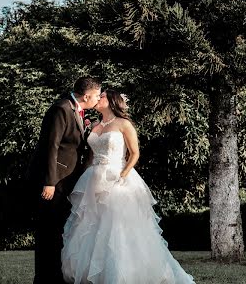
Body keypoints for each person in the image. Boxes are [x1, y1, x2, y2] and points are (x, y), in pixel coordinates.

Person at [61, 89, 195, 284]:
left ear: (113, 101)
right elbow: (90, 157)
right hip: (94, 180)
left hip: (118, 179)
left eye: (103, 95)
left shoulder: (124, 124)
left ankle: (123, 274)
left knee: (117, 228)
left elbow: (134, 154)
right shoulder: (95, 126)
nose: (99, 98)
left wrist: (122, 175)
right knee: (91, 226)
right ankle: (93, 274)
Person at [27, 75, 101, 284]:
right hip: (53, 181)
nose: (97, 99)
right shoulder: (61, 108)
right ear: (87, 95)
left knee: (58, 230)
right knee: (47, 231)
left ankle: (55, 276)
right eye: (96, 95)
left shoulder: (76, 109)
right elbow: (50, 146)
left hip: (66, 182)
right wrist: (49, 182)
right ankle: (43, 278)